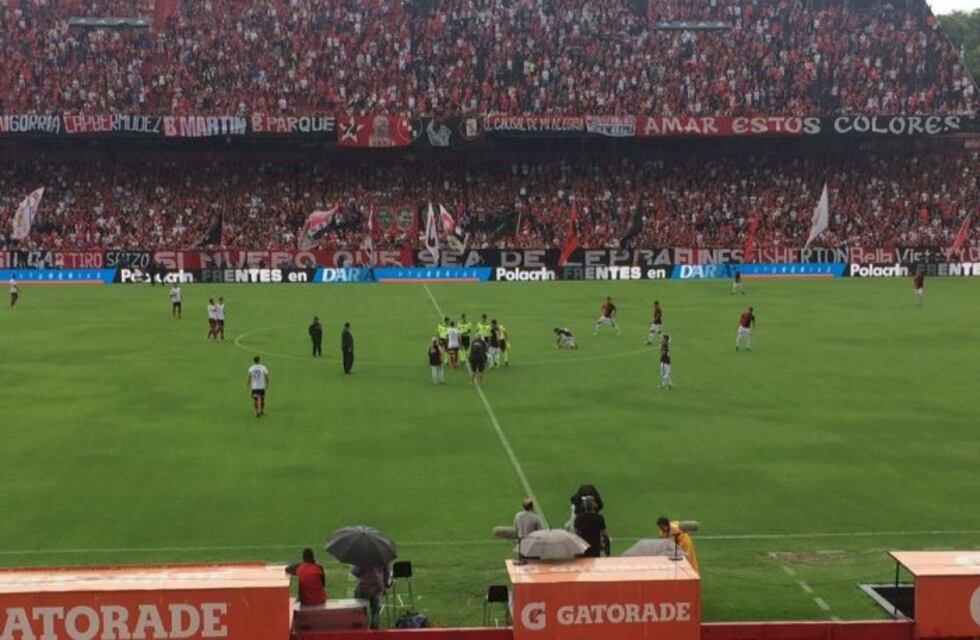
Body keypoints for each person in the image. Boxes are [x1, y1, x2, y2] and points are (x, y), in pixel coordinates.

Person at [352, 563, 390, 630]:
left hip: (365, 586)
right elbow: (387, 572)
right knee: (376, 610)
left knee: (361, 609)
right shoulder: (382, 556)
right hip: (378, 585)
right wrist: (385, 584)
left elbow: (356, 572)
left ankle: (362, 627)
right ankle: (375, 630)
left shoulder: (363, 557)